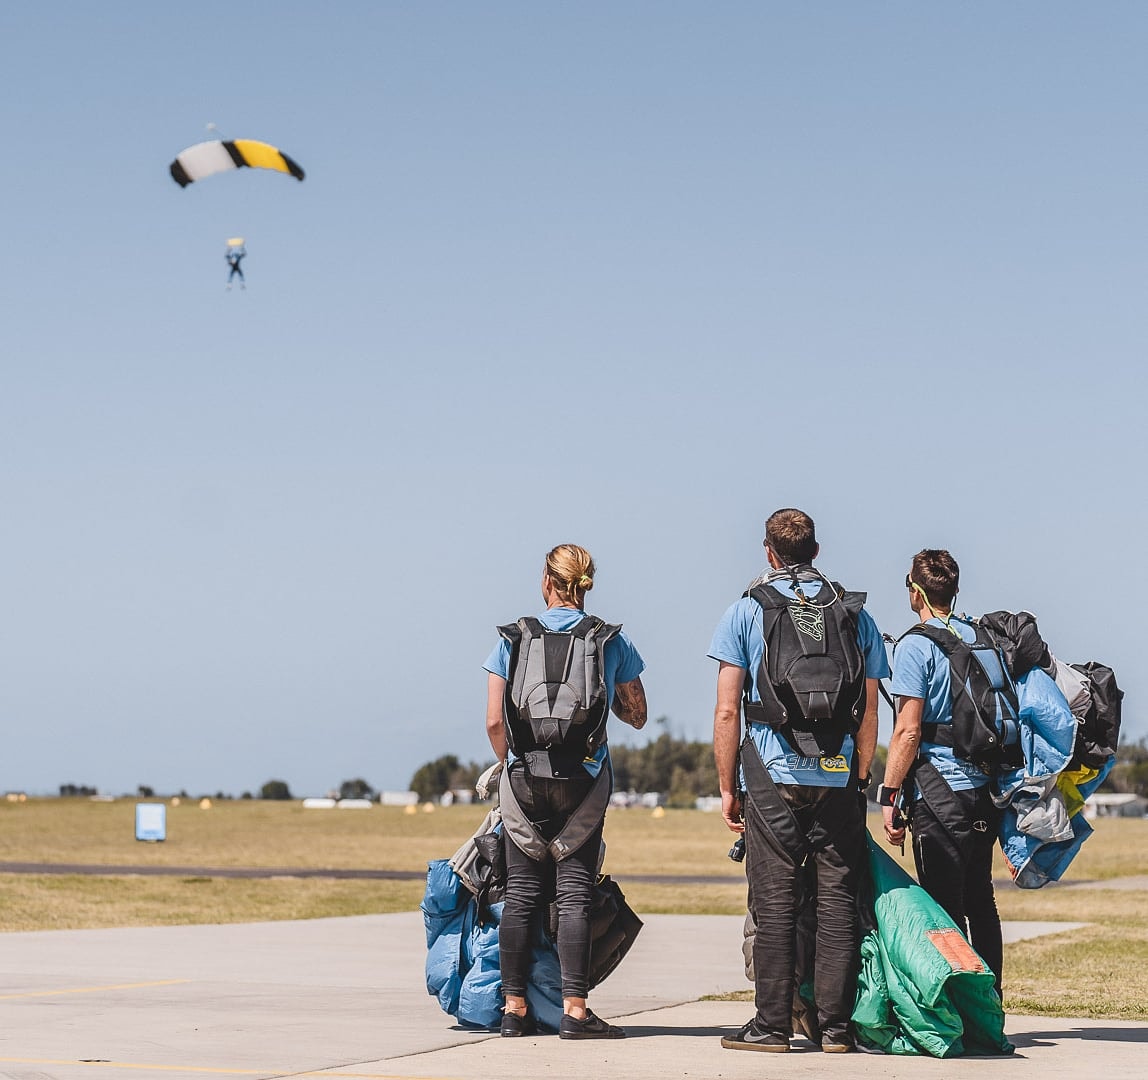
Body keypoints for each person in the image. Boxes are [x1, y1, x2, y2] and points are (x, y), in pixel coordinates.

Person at [710, 508, 887, 1053]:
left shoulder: (747, 610)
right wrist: (860, 775)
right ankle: (835, 1028)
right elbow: (870, 710)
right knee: (837, 901)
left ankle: (771, 1026)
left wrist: (727, 786)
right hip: (838, 774)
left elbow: (727, 710)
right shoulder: (852, 612)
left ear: (769, 551)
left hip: (771, 772)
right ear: (816, 550)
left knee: (775, 899)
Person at [484, 544, 647, 1040]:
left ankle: (514, 1008)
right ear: (586, 584)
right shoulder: (609, 640)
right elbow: (637, 714)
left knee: (521, 894)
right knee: (574, 894)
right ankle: (575, 1011)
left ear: (547, 582)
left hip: (523, 781)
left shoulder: (514, 638)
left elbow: (494, 721)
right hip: (584, 782)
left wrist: (509, 764)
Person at [881, 549, 1007, 994]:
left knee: (943, 907)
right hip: (985, 791)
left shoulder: (915, 646)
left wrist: (889, 793)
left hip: (940, 794)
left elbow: (908, 731)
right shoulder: (979, 638)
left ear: (915, 591)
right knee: (981, 900)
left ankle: (957, 1007)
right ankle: (990, 1004)